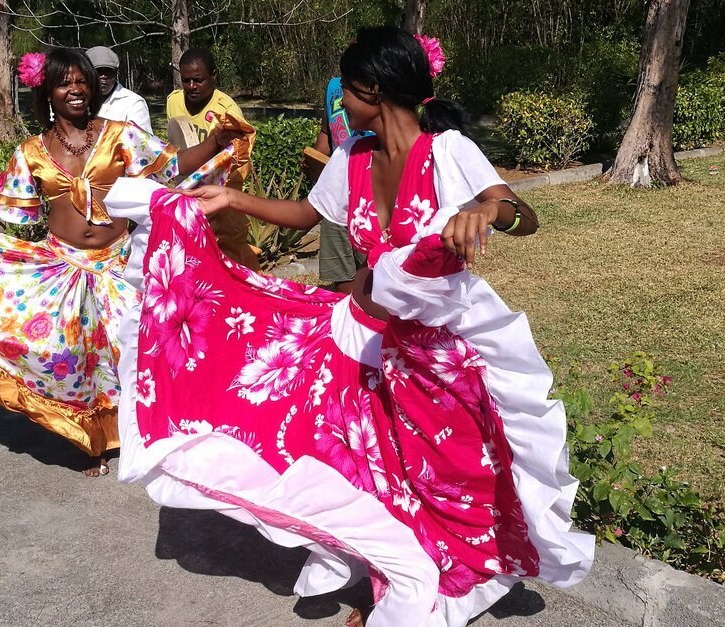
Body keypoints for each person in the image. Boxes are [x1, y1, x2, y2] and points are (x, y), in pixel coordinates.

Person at [108, 27, 592, 626]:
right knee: (366, 467)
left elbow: (525, 215)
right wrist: (232, 201)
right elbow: (305, 214)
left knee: (446, 474)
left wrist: (488, 210)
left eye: (345, 90)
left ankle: (454, 573)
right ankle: (387, 568)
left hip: (435, 352)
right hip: (360, 337)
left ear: (373, 89)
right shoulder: (353, 156)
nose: (337, 101)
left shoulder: (448, 152)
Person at [0, 47, 251, 477]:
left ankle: (150, 430)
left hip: (120, 264)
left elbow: (172, 165)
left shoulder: (119, 135)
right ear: (48, 92)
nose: (76, 89)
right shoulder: (32, 152)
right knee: (77, 358)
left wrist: (215, 143)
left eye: (81, 80)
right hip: (64, 269)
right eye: (65, 82)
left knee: (136, 350)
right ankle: (93, 443)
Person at [165, 47, 260, 270]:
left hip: (222, 200)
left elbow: (238, 163)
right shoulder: (173, 101)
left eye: (198, 80)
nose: (191, 86)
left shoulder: (228, 112)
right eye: (186, 80)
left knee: (230, 262)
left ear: (214, 76)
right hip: (188, 196)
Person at [306, 76, 367, 293]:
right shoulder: (333, 87)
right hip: (337, 193)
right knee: (341, 274)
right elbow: (327, 130)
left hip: (370, 197)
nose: (342, 101)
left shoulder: (380, 87)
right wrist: (316, 157)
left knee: (371, 269)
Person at [86, 45, 152, 133]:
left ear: (116, 73)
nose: (104, 76)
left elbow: (142, 139)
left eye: (109, 72)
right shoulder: (76, 100)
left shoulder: (134, 103)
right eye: (98, 71)